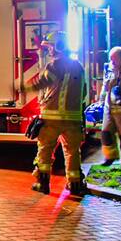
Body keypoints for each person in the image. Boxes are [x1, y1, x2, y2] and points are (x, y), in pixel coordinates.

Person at [28, 30, 88, 195]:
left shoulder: (53, 66)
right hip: (74, 120)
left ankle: (43, 184)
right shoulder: (79, 67)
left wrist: (24, 88)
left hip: (51, 119)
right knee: (72, 152)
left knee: (45, 151)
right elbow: (83, 93)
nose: (50, 51)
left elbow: (42, 84)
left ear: (60, 47)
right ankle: (75, 184)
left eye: (51, 47)